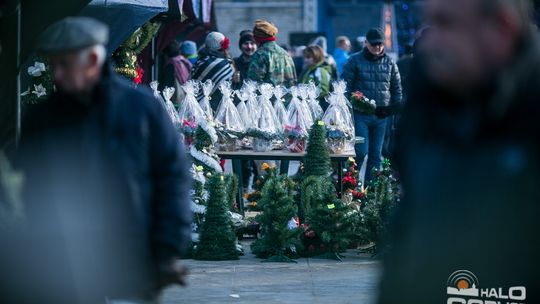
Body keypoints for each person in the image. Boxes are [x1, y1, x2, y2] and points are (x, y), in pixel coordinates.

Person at [9, 17, 192, 303]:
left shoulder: (141, 109)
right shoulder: (43, 118)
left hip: (132, 262)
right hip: (63, 268)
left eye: (65, 64)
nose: (56, 74)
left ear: (93, 59)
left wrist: (167, 249)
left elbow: (172, 178)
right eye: (53, 64)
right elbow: (28, 188)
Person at [378, 0, 540, 303]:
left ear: (501, 27)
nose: (429, 41)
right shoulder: (429, 99)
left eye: (446, 24)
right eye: (429, 23)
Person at [342, 27, 402, 182]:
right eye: (374, 44)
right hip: (360, 114)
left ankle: (371, 192)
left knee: (376, 155)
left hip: (381, 117)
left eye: (380, 44)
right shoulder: (354, 60)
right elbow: (344, 86)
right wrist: (352, 105)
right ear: (366, 43)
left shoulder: (390, 63)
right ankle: (351, 185)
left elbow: (396, 89)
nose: (377, 47)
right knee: (360, 152)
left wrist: (392, 110)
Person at [191, 31, 235, 110]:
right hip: (217, 106)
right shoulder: (224, 64)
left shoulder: (199, 62)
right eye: (224, 48)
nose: (227, 50)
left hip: (198, 107)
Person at [247, 19, 297, 87]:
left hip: (265, 97)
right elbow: (293, 81)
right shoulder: (285, 54)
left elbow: (252, 83)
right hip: (287, 97)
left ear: (257, 39)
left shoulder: (260, 55)